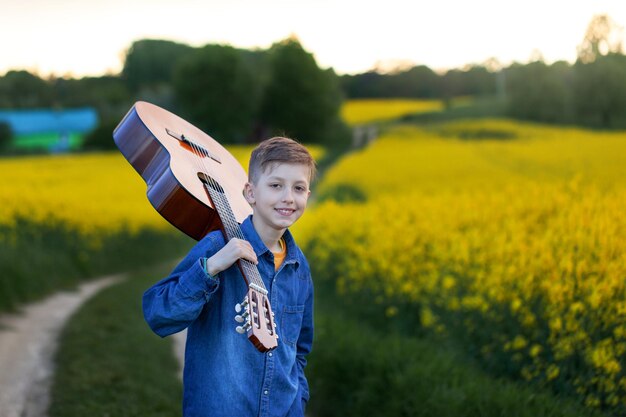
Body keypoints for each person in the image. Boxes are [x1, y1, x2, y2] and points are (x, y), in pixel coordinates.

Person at [143, 136, 316, 417]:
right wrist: (210, 268)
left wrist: (298, 401)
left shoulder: (299, 267)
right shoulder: (218, 246)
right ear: (250, 193)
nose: (288, 197)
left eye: (298, 188)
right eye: (275, 185)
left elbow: (299, 348)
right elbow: (158, 313)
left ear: (307, 195)